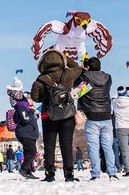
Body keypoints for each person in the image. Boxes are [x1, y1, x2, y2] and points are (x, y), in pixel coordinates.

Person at [30, 49, 84, 182]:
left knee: (49, 145)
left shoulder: (40, 80)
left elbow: (35, 98)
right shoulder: (69, 74)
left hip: (48, 116)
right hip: (67, 115)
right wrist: (66, 58)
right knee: (66, 144)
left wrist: (46, 96)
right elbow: (78, 68)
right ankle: (69, 174)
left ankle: (49, 174)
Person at [78, 57, 118, 181]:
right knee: (108, 146)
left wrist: (83, 72)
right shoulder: (108, 78)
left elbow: (78, 92)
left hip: (92, 115)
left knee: (93, 147)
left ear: (88, 67)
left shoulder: (85, 78)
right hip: (106, 114)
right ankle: (112, 172)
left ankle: (96, 173)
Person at [6, 79, 40, 179]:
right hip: (25, 133)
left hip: (30, 133)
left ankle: (28, 171)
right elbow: (26, 119)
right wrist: (32, 111)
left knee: (28, 152)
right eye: (30, 98)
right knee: (32, 151)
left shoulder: (28, 108)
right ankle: (24, 169)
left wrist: (35, 113)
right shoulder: (22, 106)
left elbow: (32, 118)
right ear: (26, 99)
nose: (32, 100)